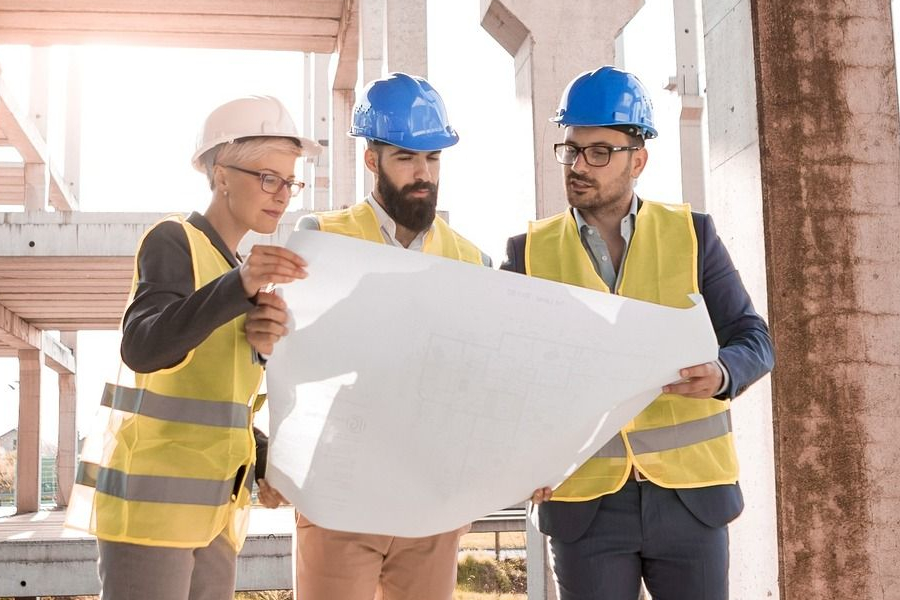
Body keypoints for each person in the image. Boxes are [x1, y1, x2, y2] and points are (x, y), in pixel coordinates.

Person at [503, 66, 775, 600]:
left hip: (691, 501)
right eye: (571, 150)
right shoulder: (528, 252)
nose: (579, 165)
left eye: (599, 152)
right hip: (584, 505)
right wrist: (515, 463)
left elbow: (753, 339)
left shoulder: (692, 235)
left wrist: (722, 373)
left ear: (638, 159)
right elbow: (505, 375)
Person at [64, 94, 319, 600]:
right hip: (149, 513)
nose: (282, 194)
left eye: (290, 181)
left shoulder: (234, 274)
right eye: (268, 178)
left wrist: (267, 464)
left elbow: (219, 411)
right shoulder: (173, 240)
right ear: (221, 174)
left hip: (215, 518)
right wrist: (240, 286)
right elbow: (142, 346)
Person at [250, 72, 491, 600]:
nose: (422, 173)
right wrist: (275, 460)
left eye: (432, 158)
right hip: (339, 497)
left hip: (430, 505)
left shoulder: (472, 261)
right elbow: (276, 360)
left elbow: (475, 386)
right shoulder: (322, 239)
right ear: (371, 159)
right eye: (406, 157)